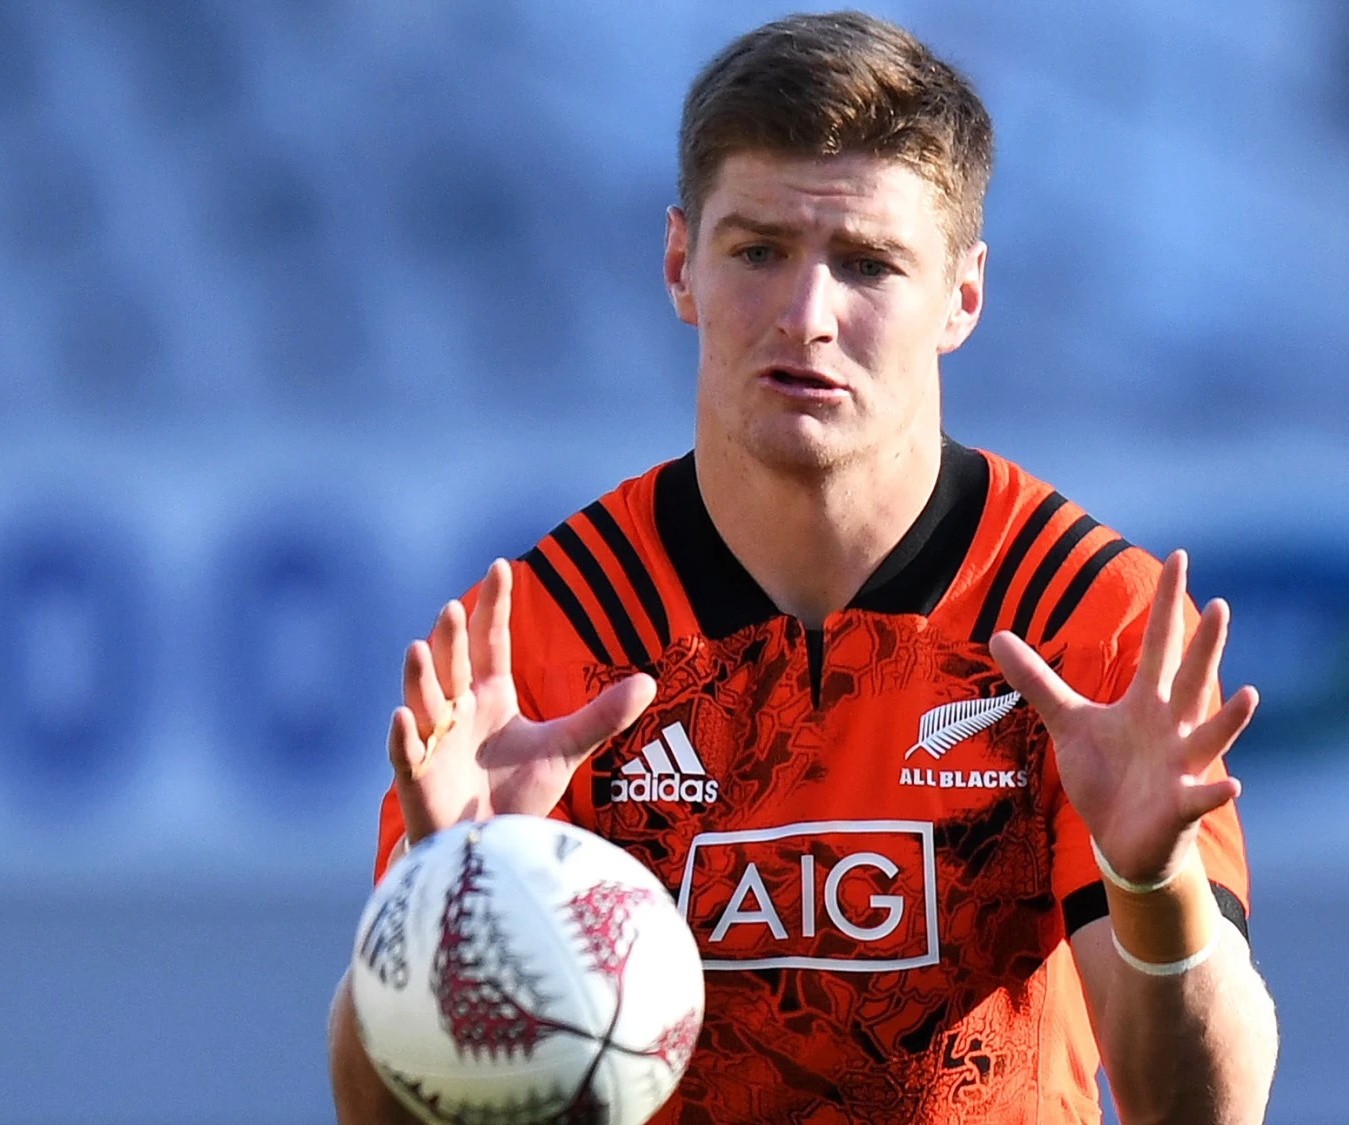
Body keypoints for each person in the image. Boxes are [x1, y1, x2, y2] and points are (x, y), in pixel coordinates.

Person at [330, 11, 1278, 1123]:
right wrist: (442, 910)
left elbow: (1199, 1112)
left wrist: (1152, 885)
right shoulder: (545, 635)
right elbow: (381, 1113)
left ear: (962, 296)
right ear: (679, 263)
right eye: (757, 251)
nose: (805, 316)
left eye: (868, 264)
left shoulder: (1086, 622)